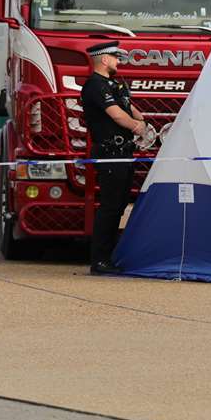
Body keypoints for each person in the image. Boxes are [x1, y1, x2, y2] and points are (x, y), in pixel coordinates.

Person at [79, 41, 154, 275]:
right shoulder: (95, 85)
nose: (118, 61)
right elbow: (117, 115)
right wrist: (138, 128)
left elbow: (130, 109)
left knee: (120, 205)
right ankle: (100, 260)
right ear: (104, 59)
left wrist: (143, 123)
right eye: (115, 57)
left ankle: (111, 255)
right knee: (110, 207)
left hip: (124, 153)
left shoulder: (114, 85)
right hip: (110, 153)